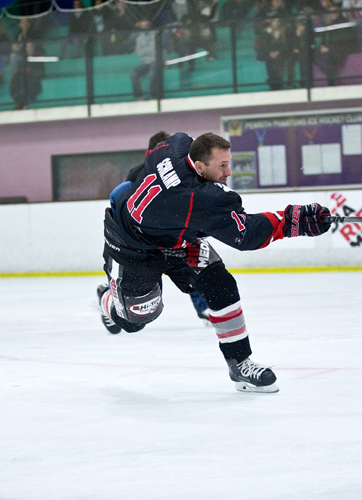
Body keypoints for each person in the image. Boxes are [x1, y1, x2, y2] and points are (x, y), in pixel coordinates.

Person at [97, 132, 332, 393]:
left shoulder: (178, 146)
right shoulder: (196, 198)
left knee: (221, 283)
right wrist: (293, 221)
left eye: (228, 162)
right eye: (222, 166)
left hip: (179, 240)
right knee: (134, 320)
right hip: (134, 247)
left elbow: (140, 169)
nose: (229, 171)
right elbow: (246, 234)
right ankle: (107, 298)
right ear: (199, 166)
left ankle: (240, 364)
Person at [125, 131, 210, 323]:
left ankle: (204, 306)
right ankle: (110, 297)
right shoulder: (137, 173)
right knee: (138, 290)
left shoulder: (178, 171)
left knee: (194, 267)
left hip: (173, 239)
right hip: (145, 244)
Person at [128, 19, 160, 100]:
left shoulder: (155, 35)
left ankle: (154, 96)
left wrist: (144, 49)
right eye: (143, 25)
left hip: (155, 60)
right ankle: (140, 97)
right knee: (133, 74)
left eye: (147, 25)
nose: (145, 27)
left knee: (152, 74)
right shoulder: (139, 38)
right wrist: (147, 49)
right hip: (144, 63)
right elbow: (139, 52)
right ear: (140, 27)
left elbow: (154, 50)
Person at [10, 40, 45, 110]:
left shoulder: (37, 58)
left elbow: (42, 72)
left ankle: (23, 103)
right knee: (17, 79)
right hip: (23, 82)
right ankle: (21, 103)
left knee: (29, 80)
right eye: (27, 47)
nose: (29, 48)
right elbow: (19, 72)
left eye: (31, 46)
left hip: (34, 81)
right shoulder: (23, 60)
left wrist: (30, 72)